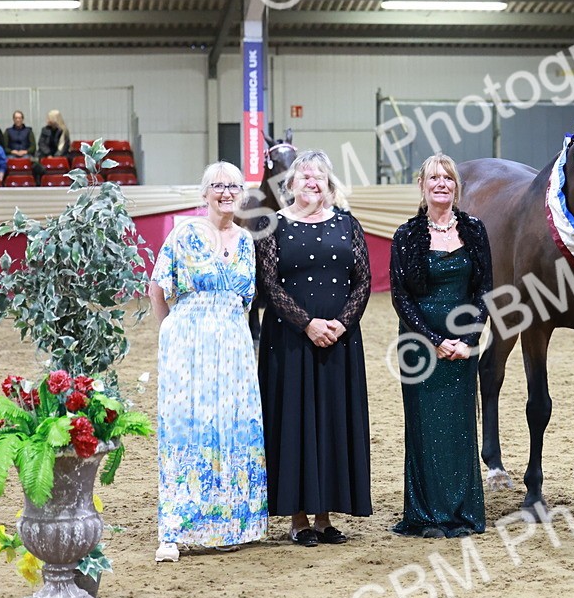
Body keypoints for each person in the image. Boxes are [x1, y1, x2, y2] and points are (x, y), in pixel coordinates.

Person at [148, 161, 269, 562]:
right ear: (204, 193)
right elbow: (157, 289)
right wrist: (172, 333)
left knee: (231, 428)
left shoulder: (247, 241)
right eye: (217, 185)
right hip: (187, 344)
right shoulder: (183, 234)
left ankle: (227, 525)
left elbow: (246, 301)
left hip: (233, 345)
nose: (226, 193)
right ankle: (174, 529)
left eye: (233, 186)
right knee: (186, 429)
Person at [255, 149, 373, 547]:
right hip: (290, 341)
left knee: (333, 421)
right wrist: (307, 323)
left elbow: (363, 281)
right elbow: (268, 284)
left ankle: (324, 518)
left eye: (318, 175)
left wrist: (341, 323)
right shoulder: (272, 225)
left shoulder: (347, 223)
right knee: (295, 422)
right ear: (290, 184)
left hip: (340, 340)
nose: (311, 181)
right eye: (304, 175)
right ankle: (298, 518)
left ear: (329, 184)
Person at [389, 154, 492, 538]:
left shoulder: (475, 230)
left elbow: (485, 290)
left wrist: (468, 340)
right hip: (419, 346)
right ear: (422, 185)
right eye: (434, 178)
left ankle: (462, 513)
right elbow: (400, 297)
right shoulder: (406, 235)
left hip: (462, 348)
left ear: (456, 187)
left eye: (448, 178)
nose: (441, 184)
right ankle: (427, 515)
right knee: (424, 428)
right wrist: (433, 341)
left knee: (460, 427)